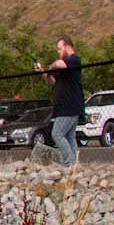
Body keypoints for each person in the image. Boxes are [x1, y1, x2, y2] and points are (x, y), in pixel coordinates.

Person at [40, 38, 84, 168]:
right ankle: (75, 165)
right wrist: (43, 71)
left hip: (70, 105)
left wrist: (51, 66)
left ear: (67, 46)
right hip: (62, 106)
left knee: (57, 134)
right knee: (70, 137)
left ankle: (68, 163)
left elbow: (59, 64)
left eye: (59, 48)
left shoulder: (74, 60)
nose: (58, 52)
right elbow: (53, 81)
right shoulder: (64, 68)